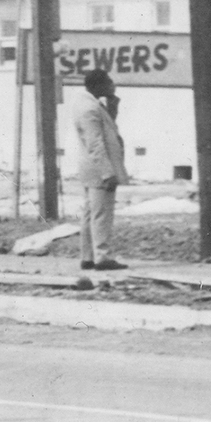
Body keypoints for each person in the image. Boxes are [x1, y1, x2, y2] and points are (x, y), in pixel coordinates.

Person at [73, 68, 128, 271]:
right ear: (97, 86)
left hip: (91, 168)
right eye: (108, 82)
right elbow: (95, 143)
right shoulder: (89, 109)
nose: (112, 85)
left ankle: (87, 256)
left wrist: (113, 107)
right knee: (101, 214)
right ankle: (102, 257)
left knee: (90, 213)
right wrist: (108, 172)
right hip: (98, 169)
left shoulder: (90, 104)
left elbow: (107, 129)